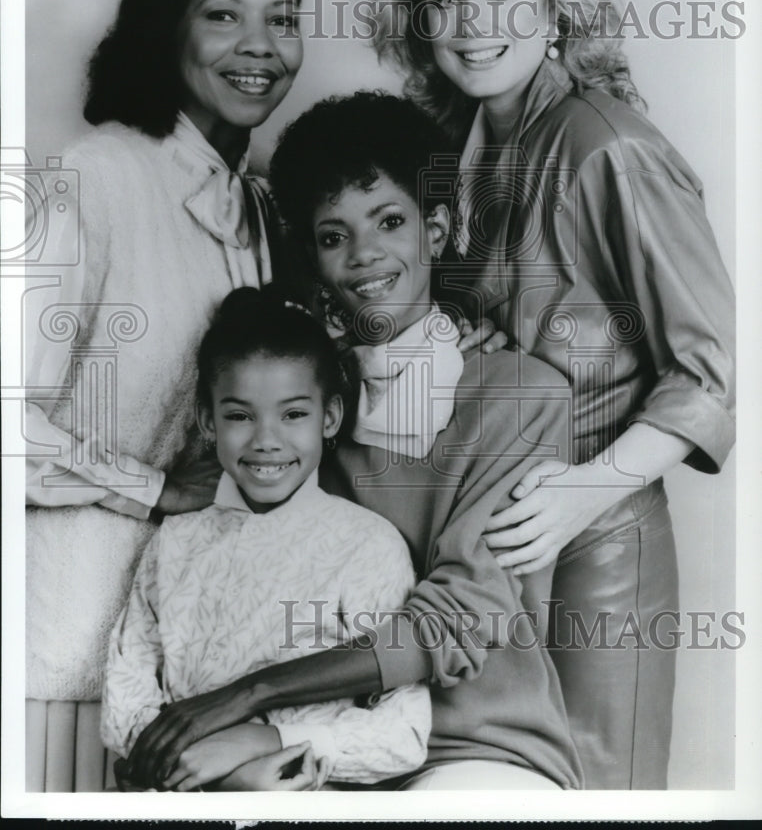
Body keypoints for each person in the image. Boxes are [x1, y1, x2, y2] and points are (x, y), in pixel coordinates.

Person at [370, 0, 736, 788]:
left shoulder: (609, 145)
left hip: (594, 540)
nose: (472, 24)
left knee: (598, 791)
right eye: (447, 0)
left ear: (555, 9)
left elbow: (708, 372)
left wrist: (583, 493)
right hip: (484, 537)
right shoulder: (451, 142)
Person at [121, 91, 583, 792]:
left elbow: (459, 618)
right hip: (318, 733)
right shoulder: (306, 408)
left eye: (390, 222)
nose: (365, 256)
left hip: (475, 747)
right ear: (315, 260)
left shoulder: (521, 396)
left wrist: (250, 700)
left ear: (437, 229)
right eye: (334, 236)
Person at [25, 0, 304, 791]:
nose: (259, 46)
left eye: (284, 19)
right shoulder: (95, 176)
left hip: (194, 674)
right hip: (62, 656)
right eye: (224, 15)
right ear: (169, 26)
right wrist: (151, 487)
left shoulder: (263, 212)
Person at [101, 288, 431, 791]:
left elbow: (403, 731)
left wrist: (274, 744)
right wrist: (206, 774)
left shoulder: (367, 546)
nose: (266, 440)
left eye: (293, 414)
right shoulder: (176, 539)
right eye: (240, 416)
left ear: (330, 417)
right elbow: (127, 693)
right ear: (209, 421)